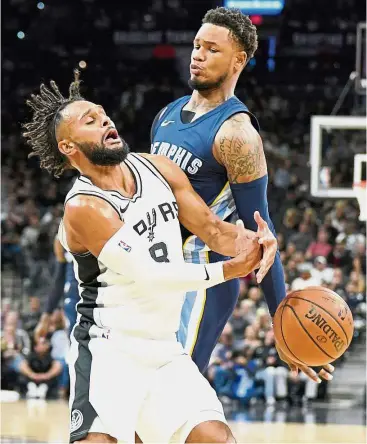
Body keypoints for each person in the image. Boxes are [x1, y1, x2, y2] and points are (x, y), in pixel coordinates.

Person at [23, 73, 270, 443]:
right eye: (89, 121)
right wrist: (228, 269)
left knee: (216, 438)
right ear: (68, 147)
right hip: (108, 351)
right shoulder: (85, 206)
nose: (105, 120)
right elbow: (151, 276)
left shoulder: (158, 168)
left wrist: (256, 242)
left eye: (103, 114)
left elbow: (215, 230)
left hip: (163, 349)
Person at [150, 6, 334, 383]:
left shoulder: (237, 135)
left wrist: (281, 320)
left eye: (212, 49)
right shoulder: (166, 114)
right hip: (156, 270)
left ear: (238, 61)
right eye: (197, 45)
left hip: (202, 279)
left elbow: (262, 236)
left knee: (168, 394)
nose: (198, 55)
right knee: (151, 404)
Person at [35, 235, 79, 340]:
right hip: (74, 303)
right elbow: (59, 280)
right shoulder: (61, 237)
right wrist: (46, 315)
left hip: (98, 298)